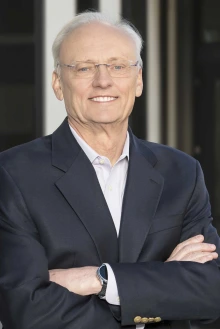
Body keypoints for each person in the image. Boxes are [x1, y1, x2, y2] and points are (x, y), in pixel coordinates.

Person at [0, 11, 220, 329]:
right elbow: (26, 311)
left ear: (139, 80)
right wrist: (163, 283)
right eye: (84, 68)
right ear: (58, 83)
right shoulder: (13, 176)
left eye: (118, 66)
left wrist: (101, 279)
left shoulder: (182, 173)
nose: (103, 81)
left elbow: (210, 291)